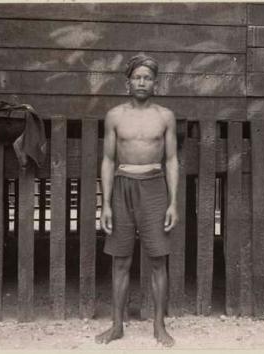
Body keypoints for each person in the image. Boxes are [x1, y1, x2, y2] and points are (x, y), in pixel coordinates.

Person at [95, 54, 179, 347]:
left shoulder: (165, 116)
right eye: (137, 77)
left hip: (155, 188)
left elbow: (171, 160)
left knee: (158, 260)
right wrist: (105, 203)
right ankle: (117, 325)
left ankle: (159, 326)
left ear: (155, 83)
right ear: (128, 82)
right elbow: (107, 159)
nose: (142, 82)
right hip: (123, 186)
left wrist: (173, 203)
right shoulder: (115, 116)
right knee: (121, 260)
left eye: (148, 77)